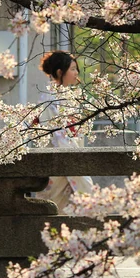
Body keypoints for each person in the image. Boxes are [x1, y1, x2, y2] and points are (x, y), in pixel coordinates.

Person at [35, 50, 93, 212]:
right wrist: (76, 161)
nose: (77, 73)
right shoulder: (50, 99)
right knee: (54, 211)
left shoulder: (65, 96)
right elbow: (59, 137)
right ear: (60, 72)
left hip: (68, 156)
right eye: (73, 69)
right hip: (58, 160)